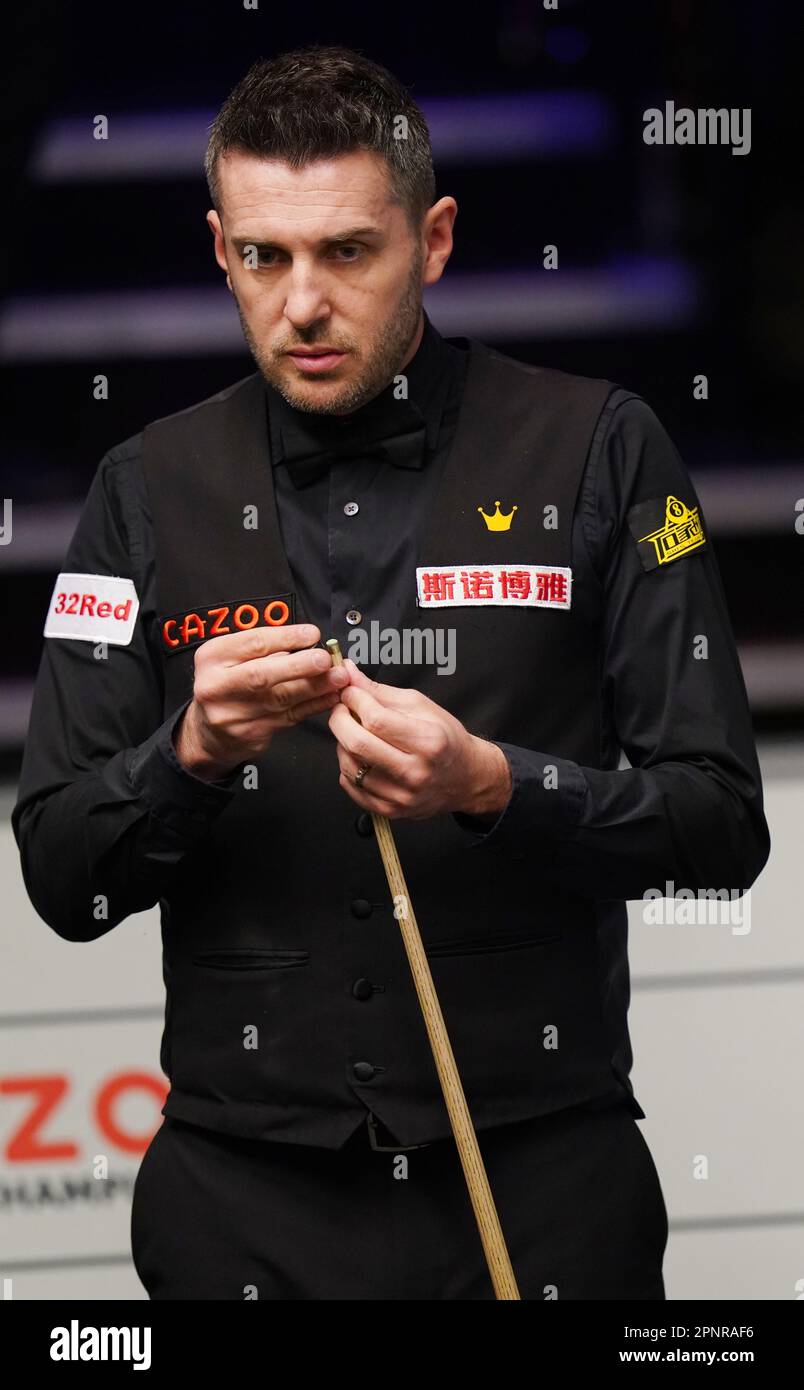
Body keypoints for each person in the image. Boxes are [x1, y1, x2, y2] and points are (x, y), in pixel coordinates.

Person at [12, 45, 770, 1301]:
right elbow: (58, 873)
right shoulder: (141, 490)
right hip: (237, 1207)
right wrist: (187, 758)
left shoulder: (602, 448)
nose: (302, 302)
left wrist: (495, 783)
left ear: (435, 238)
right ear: (219, 250)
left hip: (538, 1191)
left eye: (348, 252)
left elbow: (722, 824)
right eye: (265, 256)